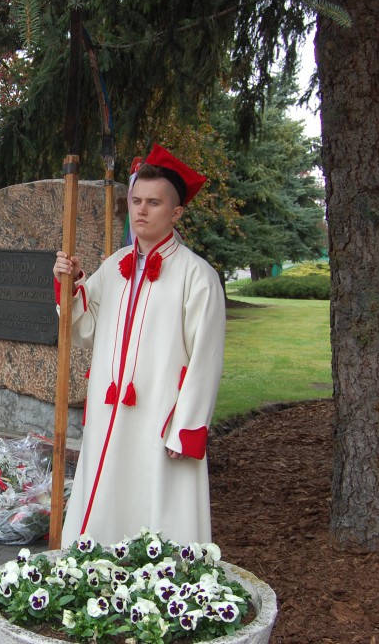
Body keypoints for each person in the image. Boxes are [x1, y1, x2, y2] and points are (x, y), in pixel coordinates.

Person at [53, 144, 226, 547]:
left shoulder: (197, 276)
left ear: (176, 212)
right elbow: (83, 329)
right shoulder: (115, 265)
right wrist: (71, 283)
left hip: (160, 418)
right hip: (109, 414)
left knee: (158, 506)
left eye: (154, 202)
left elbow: (206, 359)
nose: (141, 211)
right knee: (106, 496)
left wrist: (187, 427)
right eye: (135, 201)